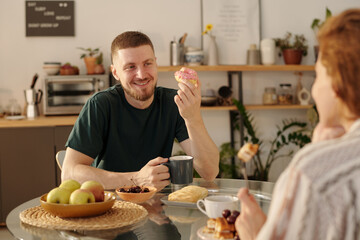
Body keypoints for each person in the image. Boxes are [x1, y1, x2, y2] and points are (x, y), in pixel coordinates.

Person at [235, 9, 360, 240]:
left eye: (317, 75)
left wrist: (256, 235)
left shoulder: (313, 174)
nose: (313, 89)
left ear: (337, 85)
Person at [61, 31, 219, 190]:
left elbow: (210, 172)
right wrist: (136, 179)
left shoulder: (173, 103)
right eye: (130, 67)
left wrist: (193, 118)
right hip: (110, 205)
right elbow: (69, 174)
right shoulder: (100, 105)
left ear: (156, 63)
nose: (142, 75)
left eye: (147, 63)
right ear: (115, 72)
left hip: (157, 206)